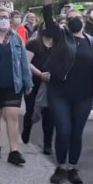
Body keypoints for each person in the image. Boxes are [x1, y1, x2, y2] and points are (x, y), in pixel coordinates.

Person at [43, 0, 93, 184]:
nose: (74, 19)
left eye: (77, 16)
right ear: (66, 20)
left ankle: (72, 167)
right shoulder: (60, 36)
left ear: (83, 20)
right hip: (59, 93)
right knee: (64, 130)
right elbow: (48, 20)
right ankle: (60, 167)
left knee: (76, 133)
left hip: (83, 96)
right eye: (70, 16)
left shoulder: (92, 42)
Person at [0, 7, 33, 166]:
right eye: (1, 17)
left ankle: (14, 151)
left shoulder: (17, 38)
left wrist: (28, 81)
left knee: (12, 116)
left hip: (13, 83)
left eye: (6, 17)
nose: (4, 19)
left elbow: (24, 62)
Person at [22, 23, 55, 155]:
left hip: (51, 83)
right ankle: (26, 132)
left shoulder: (59, 46)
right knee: (30, 109)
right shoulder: (33, 44)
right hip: (34, 81)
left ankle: (47, 144)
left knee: (49, 113)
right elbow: (26, 62)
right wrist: (40, 74)